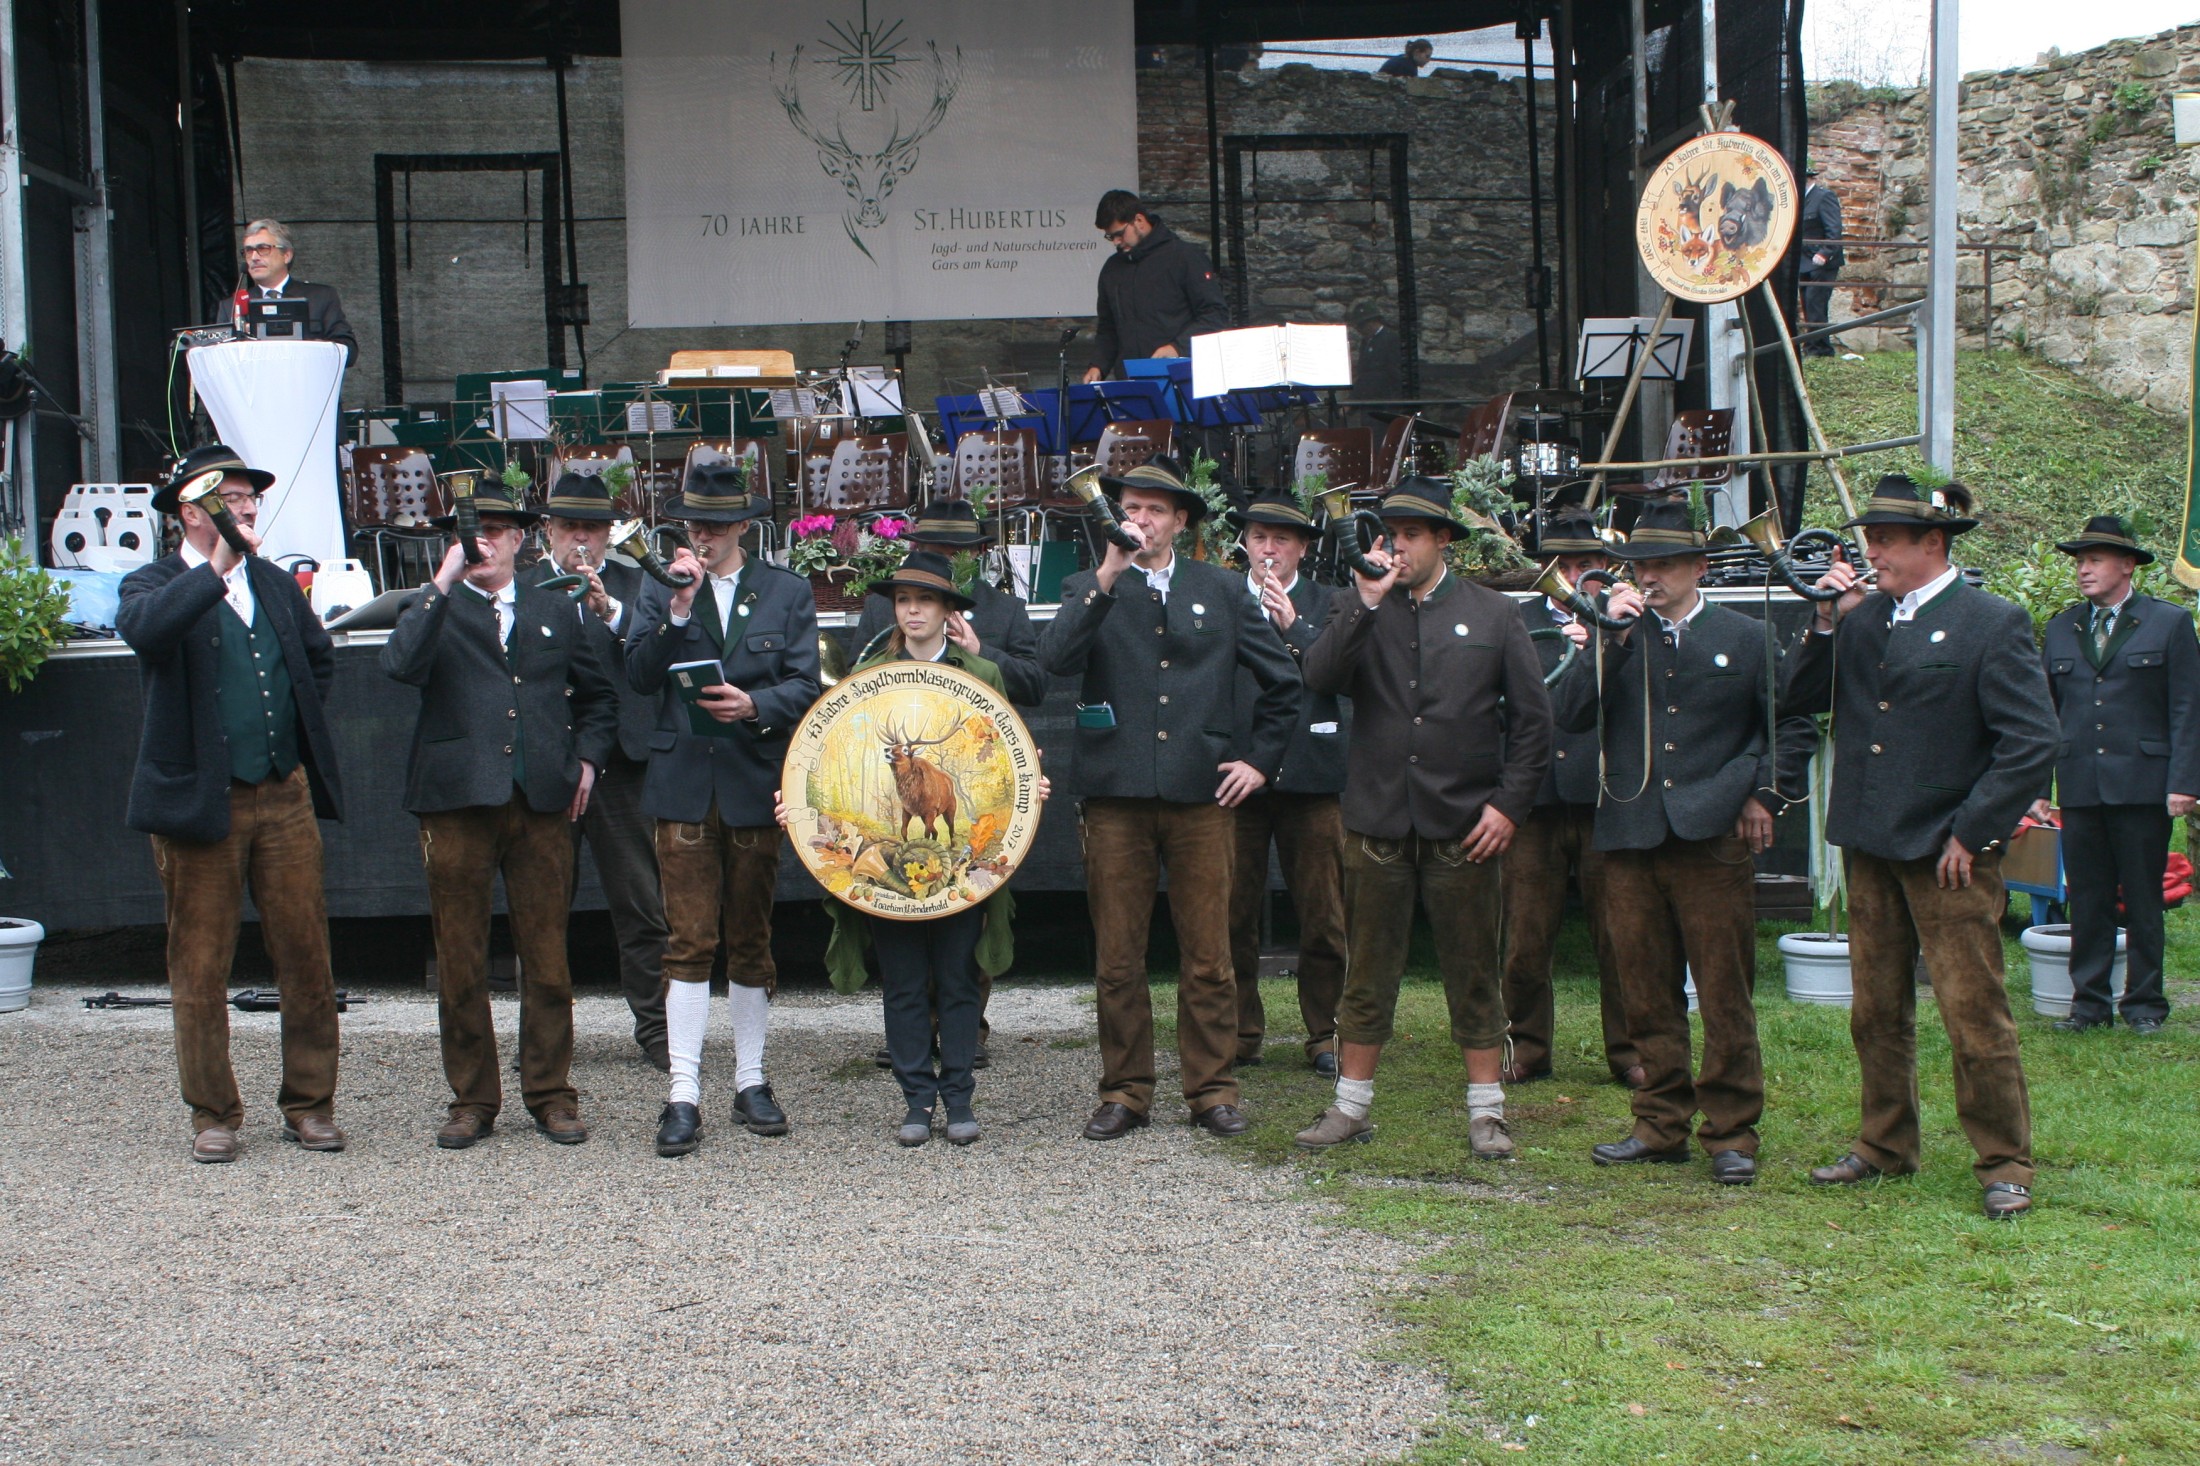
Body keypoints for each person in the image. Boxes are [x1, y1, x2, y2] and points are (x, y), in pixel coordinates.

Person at [1783, 476, 2057, 1220]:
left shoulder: (1992, 621)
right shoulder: (1864, 618)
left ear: (1933, 544)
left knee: (1974, 1013)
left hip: (1948, 850)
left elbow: (2031, 741)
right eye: (1869, 540)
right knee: (1874, 1009)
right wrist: (1824, 621)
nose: (1870, 553)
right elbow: (1801, 698)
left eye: (1885, 541)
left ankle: (2005, 1161)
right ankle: (1884, 1144)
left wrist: (1974, 830)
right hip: (1871, 840)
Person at [1550, 501, 1815, 1186]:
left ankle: (1731, 1131)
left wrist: (1765, 795)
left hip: (1712, 832)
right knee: (1644, 987)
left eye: (1665, 564)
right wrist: (1605, 640)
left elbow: (1790, 725)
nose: (1653, 576)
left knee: (1725, 990)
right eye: (1642, 566)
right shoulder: (1616, 634)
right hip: (1631, 833)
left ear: (1699, 567)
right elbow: (1570, 718)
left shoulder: (1747, 635)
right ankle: (1659, 1121)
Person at [1039, 458, 1300, 1139]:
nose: (1142, 520)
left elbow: (1282, 685)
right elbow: (1055, 660)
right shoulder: (1090, 586)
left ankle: (1212, 1089)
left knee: (1208, 952)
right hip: (1114, 798)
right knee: (1118, 956)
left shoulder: (1220, 589)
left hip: (1201, 795)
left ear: (1181, 521)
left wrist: (1259, 763)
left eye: (1156, 510)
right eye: (1133, 508)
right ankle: (1125, 1091)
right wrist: (1105, 576)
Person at [1294, 476, 1552, 1158]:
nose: (1398, 546)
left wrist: (1508, 807)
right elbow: (1318, 677)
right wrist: (1365, 604)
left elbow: (1532, 725)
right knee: (1367, 972)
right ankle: (1349, 1107)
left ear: (1444, 540)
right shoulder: (1361, 604)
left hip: (1465, 823)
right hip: (1377, 821)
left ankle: (1486, 1113)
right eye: (1392, 533)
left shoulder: (1493, 614)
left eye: (1412, 534)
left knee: (1473, 972)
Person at [117, 445, 347, 1164]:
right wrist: (215, 569)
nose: (247, 509)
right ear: (191, 512)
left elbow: (319, 660)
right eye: (230, 499)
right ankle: (213, 1114)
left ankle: (309, 1105)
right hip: (200, 802)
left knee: (306, 957)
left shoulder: (275, 584)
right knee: (200, 964)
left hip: (282, 792)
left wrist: (292, 732)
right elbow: (147, 633)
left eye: (250, 498)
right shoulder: (152, 582)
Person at [380, 481, 619, 1150]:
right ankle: (472, 1098)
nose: (480, 540)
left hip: (541, 801)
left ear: (521, 539)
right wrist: (442, 582)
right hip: (455, 803)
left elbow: (601, 699)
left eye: (494, 529)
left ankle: (550, 1093)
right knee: (459, 957)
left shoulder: (554, 609)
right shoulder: (435, 607)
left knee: (546, 956)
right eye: (470, 530)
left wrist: (588, 762)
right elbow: (398, 665)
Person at [785, 551, 1052, 1147]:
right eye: (903, 601)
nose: (911, 611)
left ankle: (958, 1098)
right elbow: (821, 753)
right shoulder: (865, 679)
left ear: (947, 612)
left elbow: (1009, 762)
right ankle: (915, 1100)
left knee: (957, 979)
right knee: (904, 982)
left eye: (924, 601)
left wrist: (1031, 789)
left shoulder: (983, 676)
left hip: (967, 868)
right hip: (889, 876)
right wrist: (800, 809)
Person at [626, 464, 821, 1158]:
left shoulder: (785, 591)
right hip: (682, 782)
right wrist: (678, 611)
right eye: (693, 523)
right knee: (686, 939)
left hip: (750, 780)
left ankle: (751, 1080)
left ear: (744, 525)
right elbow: (639, 675)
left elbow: (806, 684)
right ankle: (682, 1091)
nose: (702, 536)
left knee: (750, 936)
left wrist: (755, 706)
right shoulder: (660, 585)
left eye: (715, 524)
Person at [849, 498, 1048, 1069]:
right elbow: (853, 694)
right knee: (899, 894)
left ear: (977, 553)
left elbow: (1034, 684)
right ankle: (910, 1027)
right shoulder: (885, 608)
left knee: (969, 897)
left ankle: (967, 1024)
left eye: (956, 548)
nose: (945, 556)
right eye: (934, 545)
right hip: (899, 771)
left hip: (970, 767)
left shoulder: (1005, 610)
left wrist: (982, 652)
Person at [2031, 515, 2200, 1036]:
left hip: (2143, 784)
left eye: (2095, 560)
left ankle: (2145, 1005)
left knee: (2144, 899)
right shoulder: (2063, 627)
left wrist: (2185, 781)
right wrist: (2040, 789)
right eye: (2080, 561)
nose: (2084, 570)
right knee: (2086, 897)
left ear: (2127, 566)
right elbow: (2045, 714)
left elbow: (2188, 707)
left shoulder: (2168, 623)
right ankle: (2089, 1006)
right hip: (2080, 783)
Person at [532, 472, 671, 1069]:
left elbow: (654, 660)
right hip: (547, 763)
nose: (581, 540)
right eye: (570, 528)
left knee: (642, 904)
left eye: (592, 528)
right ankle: (543, 1041)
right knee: (540, 909)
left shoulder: (636, 586)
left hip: (622, 764)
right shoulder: (522, 585)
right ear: (548, 531)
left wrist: (608, 609)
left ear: (610, 533)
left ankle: (660, 1031)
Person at [1501, 511, 1641, 1090]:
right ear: (1543, 568)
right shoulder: (1514, 621)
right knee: (1524, 938)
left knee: (1621, 935)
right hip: (1534, 801)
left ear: (1607, 570)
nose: (1579, 574)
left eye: (1589, 564)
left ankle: (1629, 1052)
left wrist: (1609, 640)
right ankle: (1527, 1045)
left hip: (1604, 797)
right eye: (1565, 564)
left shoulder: (1630, 622)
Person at [1224, 491, 1348, 1077]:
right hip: (1237, 774)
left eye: (1280, 540)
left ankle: (1326, 1033)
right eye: (1258, 538)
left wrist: (1295, 627)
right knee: (1231, 912)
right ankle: (1240, 1032)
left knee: (1323, 913)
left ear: (1301, 548)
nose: (1267, 550)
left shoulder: (1332, 601)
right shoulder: (1222, 596)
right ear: (1244, 543)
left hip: (1312, 775)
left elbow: (1343, 675)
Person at [1082, 191, 1231, 383]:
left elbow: (1215, 314)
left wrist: (1177, 348)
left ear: (1139, 220)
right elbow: (1108, 328)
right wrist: (1098, 366)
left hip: (1183, 376)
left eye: (1119, 234)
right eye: (1110, 237)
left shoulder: (1184, 257)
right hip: (1132, 381)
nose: (1117, 242)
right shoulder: (1112, 269)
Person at [235, 219, 357, 367]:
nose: (254, 257)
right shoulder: (233, 305)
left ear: (286, 255)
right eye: (248, 250)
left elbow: (349, 351)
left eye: (263, 248)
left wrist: (314, 348)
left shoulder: (320, 297)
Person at [1799, 168, 1845, 358]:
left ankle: (1818, 349)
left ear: (1809, 179)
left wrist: (1825, 253)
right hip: (1804, 261)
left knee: (1815, 303)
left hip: (1822, 262)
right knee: (1809, 305)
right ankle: (1817, 347)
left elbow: (1834, 230)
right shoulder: (1800, 200)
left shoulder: (1824, 197)